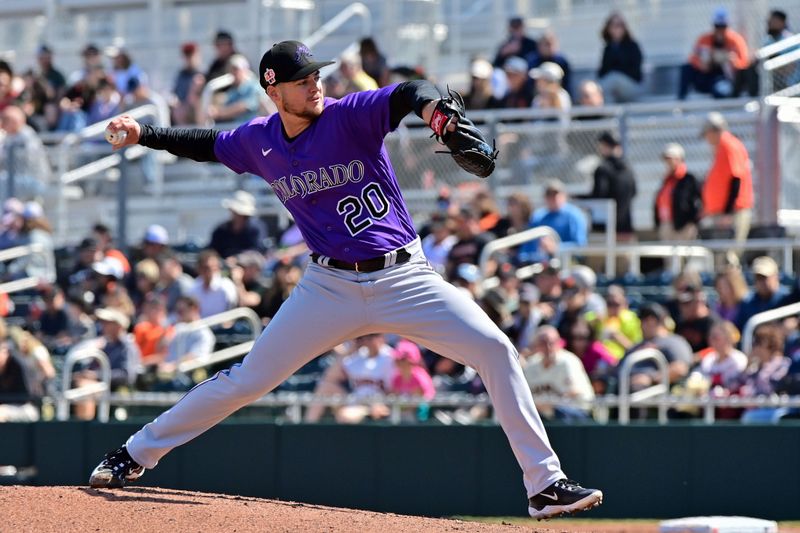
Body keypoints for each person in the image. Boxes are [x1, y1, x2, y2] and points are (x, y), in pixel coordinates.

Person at [91, 39, 602, 518]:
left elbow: (407, 93)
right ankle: (133, 453)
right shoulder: (260, 141)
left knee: (495, 349)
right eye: (300, 80)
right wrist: (146, 134)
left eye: (316, 75)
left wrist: (435, 112)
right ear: (273, 90)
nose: (314, 84)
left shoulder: (348, 115)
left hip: (404, 277)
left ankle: (544, 484)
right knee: (247, 379)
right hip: (328, 287)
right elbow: (207, 142)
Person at [700, 112, 753, 249]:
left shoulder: (729, 145)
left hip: (732, 213)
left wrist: (727, 212)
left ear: (712, 131)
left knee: (729, 259)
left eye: (706, 134)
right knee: (721, 260)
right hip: (724, 212)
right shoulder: (722, 148)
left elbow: (736, 179)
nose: (706, 139)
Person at [520, 326, 595, 421]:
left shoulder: (568, 361)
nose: (548, 347)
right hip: (543, 415)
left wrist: (549, 405)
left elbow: (575, 392)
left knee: (559, 412)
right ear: (536, 345)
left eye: (551, 343)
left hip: (575, 413)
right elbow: (524, 395)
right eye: (543, 343)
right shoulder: (532, 364)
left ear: (559, 342)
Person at [678, 7, 750, 100]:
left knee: (721, 91)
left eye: (723, 26)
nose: (720, 30)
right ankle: (681, 99)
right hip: (706, 76)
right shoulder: (704, 40)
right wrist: (703, 63)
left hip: (725, 77)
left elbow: (744, 63)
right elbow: (693, 58)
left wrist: (732, 61)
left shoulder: (736, 41)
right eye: (717, 26)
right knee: (686, 68)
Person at [584, 131, 636, 236]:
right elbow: (635, 192)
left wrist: (578, 199)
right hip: (626, 227)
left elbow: (599, 195)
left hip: (605, 230)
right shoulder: (628, 169)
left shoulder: (602, 169)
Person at [653, 142, 703, 241]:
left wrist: (692, 220)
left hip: (683, 227)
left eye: (670, 159)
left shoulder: (688, 179)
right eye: (666, 159)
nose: (668, 163)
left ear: (679, 159)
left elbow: (699, 200)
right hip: (667, 224)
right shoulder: (667, 181)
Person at [597, 13, 643, 103]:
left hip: (632, 86)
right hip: (612, 88)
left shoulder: (632, 46)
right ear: (608, 28)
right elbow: (602, 72)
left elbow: (635, 72)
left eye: (620, 25)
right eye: (614, 25)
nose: (617, 29)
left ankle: (594, 92)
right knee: (608, 95)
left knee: (614, 79)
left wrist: (616, 72)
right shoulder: (608, 48)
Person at [209, 190, 267, 258]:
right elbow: (212, 250)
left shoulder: (256, 229)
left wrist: (238, 259)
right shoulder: (221, 230)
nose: (238, 216)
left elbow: (257, 251)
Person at [735, 256, 789, 330]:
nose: (762, 282)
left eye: (765, 277)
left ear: (776, 276)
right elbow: (740, 328)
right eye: (758, 278)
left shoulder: (788, 299)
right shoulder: (748, 302)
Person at [207, 55, 261, 123]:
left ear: (245, 69)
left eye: (236, 69)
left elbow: (243, 106)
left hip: (251, 129)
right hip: (237, 129)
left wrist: (218, 113)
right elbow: (226, 104)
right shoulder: (233, 90)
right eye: (231, 69)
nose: (233, 72)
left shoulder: (254, 86)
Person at [188, 249, 237, 318]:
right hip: (201, 326)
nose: (209, 271)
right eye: (205, 268)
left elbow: (232, 313)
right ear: (199, 269)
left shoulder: (226, 287)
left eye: (213, 267)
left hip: (222, 327)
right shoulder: (193, 288)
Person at [171, 42, 205, 125]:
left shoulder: (202, 74)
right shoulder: (181, 75)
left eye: (191, 55)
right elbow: (175, 94)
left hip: (198, 110)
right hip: (181, 109)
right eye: (187, 56)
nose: (189, 59)